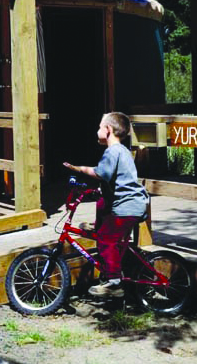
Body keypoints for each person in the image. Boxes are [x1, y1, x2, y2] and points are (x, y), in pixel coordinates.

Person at [63, 111, 149, 298]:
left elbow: (102, 174)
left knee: (107, 240)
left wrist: (79, 169)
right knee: (102, 201)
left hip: (128, 206)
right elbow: (113, 182)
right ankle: (98, 227)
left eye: (100, 127)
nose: (98, 130)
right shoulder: (121, 151)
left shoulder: (113, 151)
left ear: (108, 130)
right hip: (127, 204)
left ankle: (114, 283)